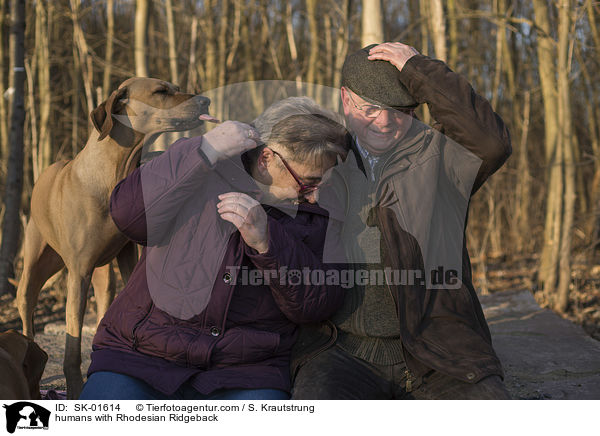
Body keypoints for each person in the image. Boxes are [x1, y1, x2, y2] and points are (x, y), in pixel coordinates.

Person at [79, 100, 350, 400]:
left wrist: (268, 244)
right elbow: (128, 217)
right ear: (267, 158)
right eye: (307, 183)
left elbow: (318, 303)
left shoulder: (318, 212)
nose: (315, 196)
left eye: (324, 181)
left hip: (245, 372)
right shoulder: (201, 165)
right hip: (140, 355)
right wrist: (203, 150)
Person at [291, 42, 513, 399]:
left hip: (441, 354)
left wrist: (419, 70)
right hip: (340, 353)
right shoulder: (319, 163)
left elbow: (491, 144)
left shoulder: (439, 156)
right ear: (346, 100)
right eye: (370, 108)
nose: (384, 121)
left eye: (399, 109)